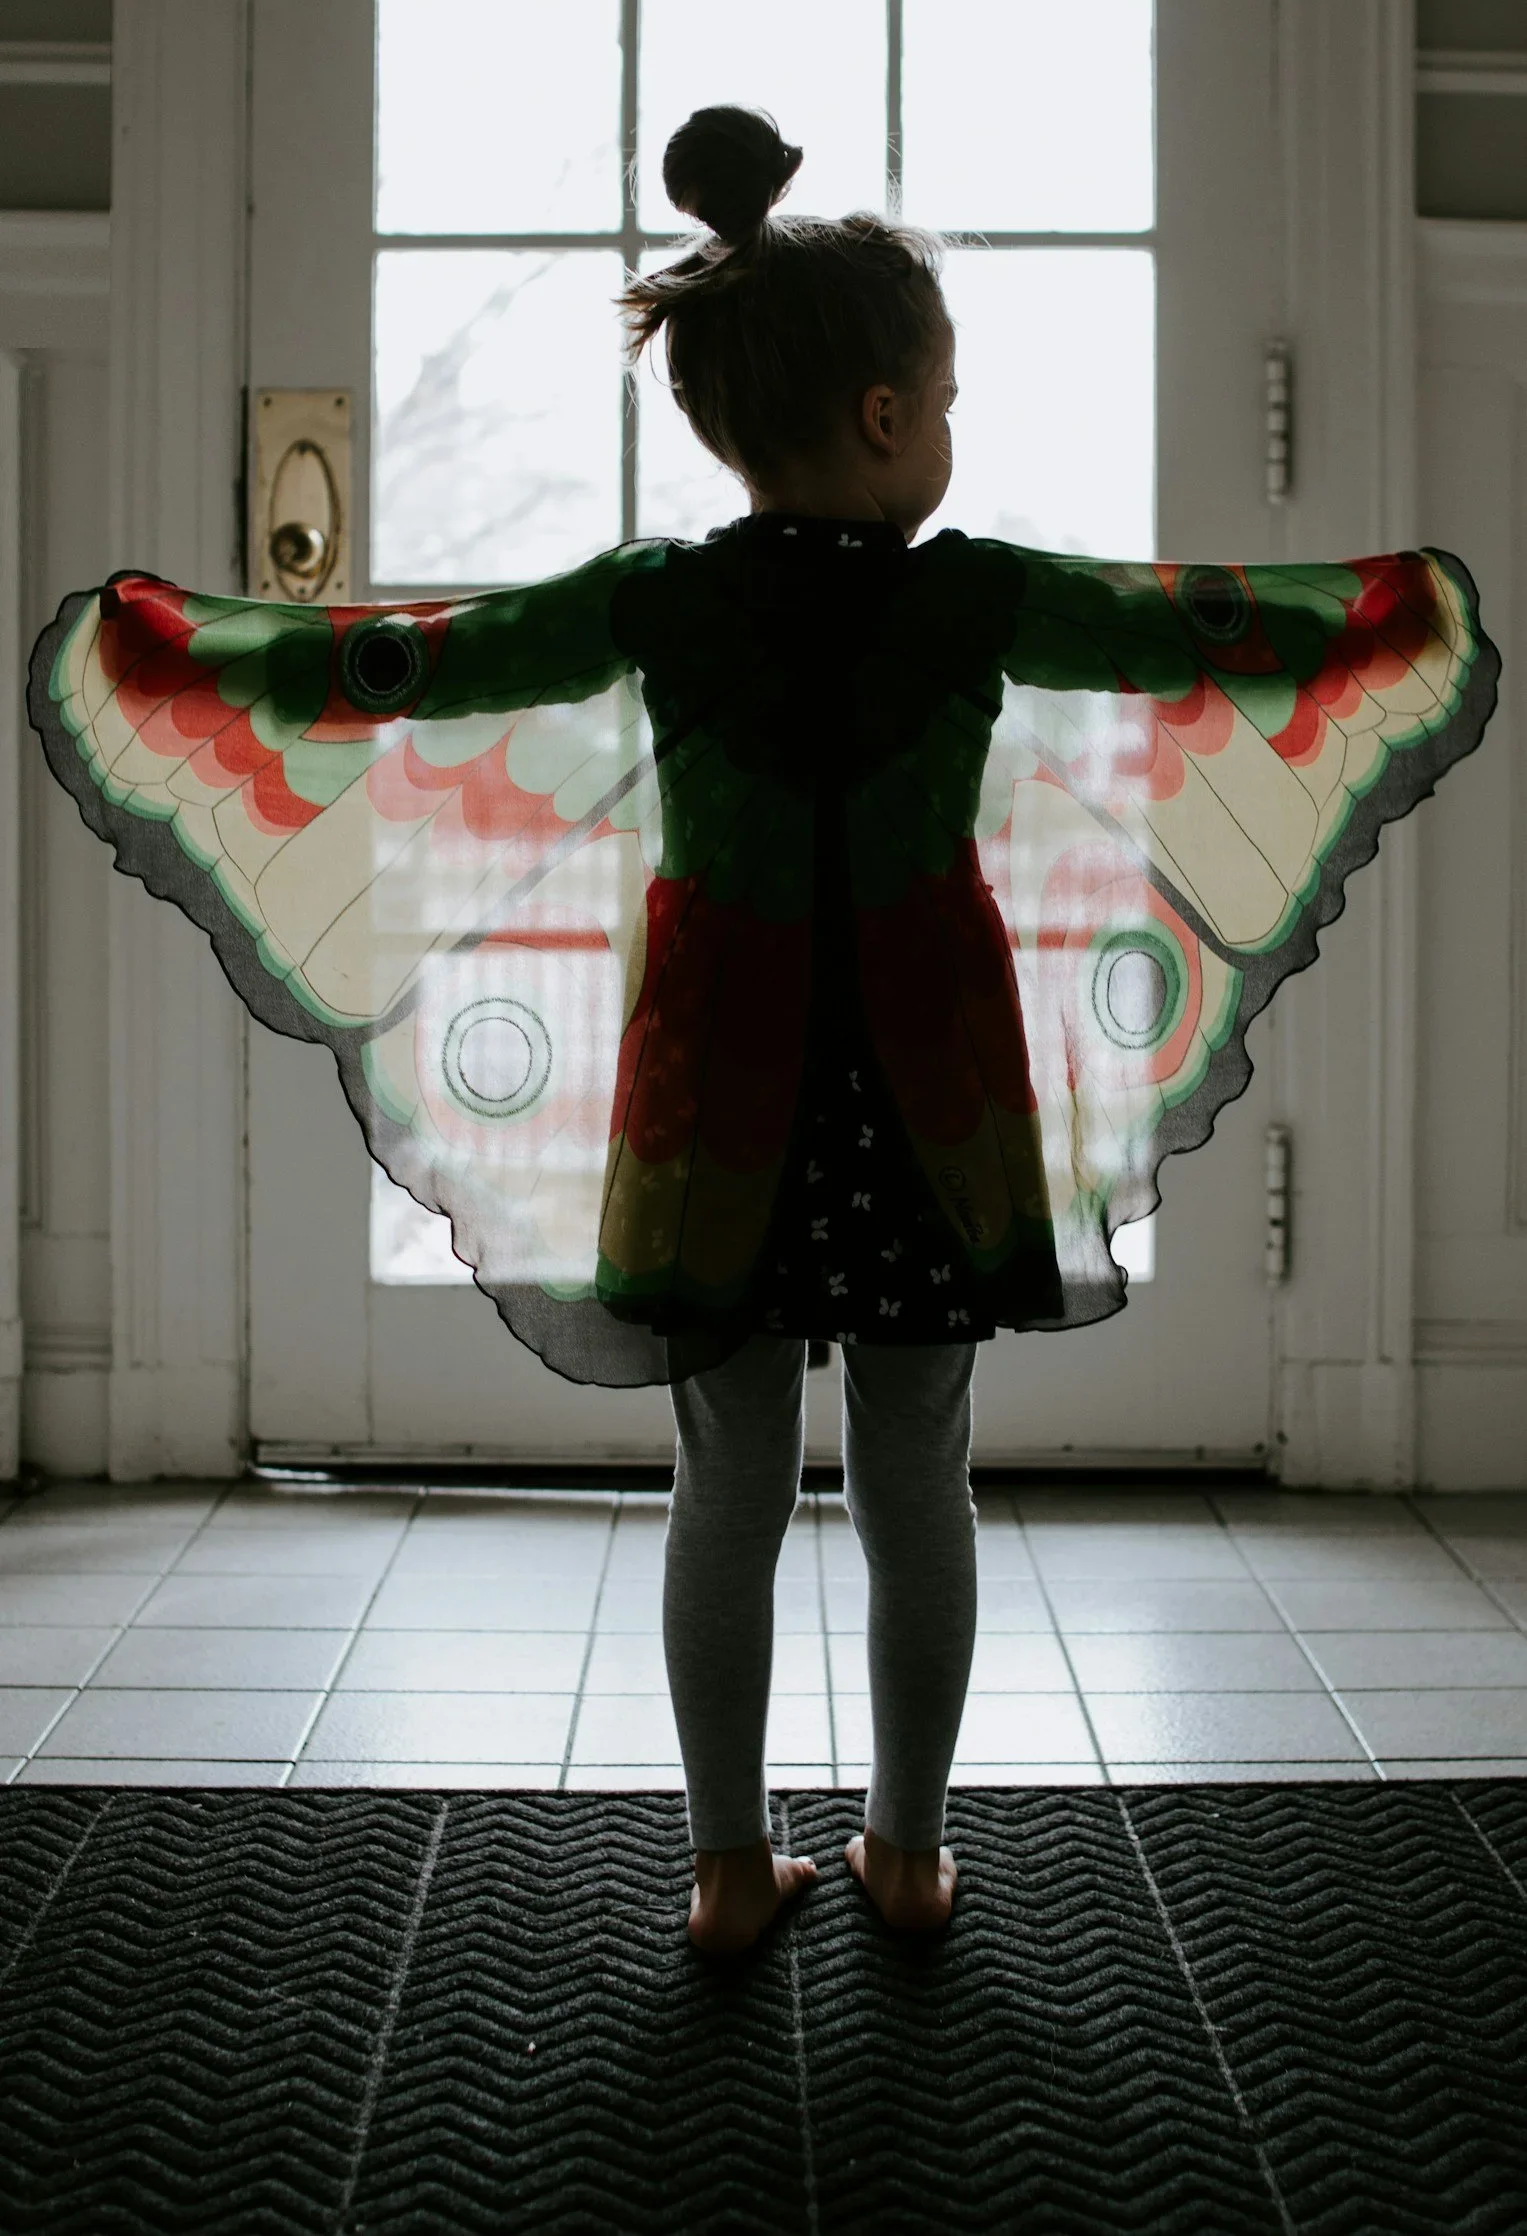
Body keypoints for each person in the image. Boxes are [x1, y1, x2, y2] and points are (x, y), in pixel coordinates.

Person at [29, 107, 1499, 1962]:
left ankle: (727, 1871)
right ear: (883, 419)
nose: (950, 432)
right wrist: (1380, 618)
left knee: (722, 1486)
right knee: (916, 1478)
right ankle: (901, 1851)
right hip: (931, 1102)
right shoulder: (971, 592)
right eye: (944, 399)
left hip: (714, 1106)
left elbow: (414, 662)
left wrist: (196, 657)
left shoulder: (662, 596)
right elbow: (1197, 638)